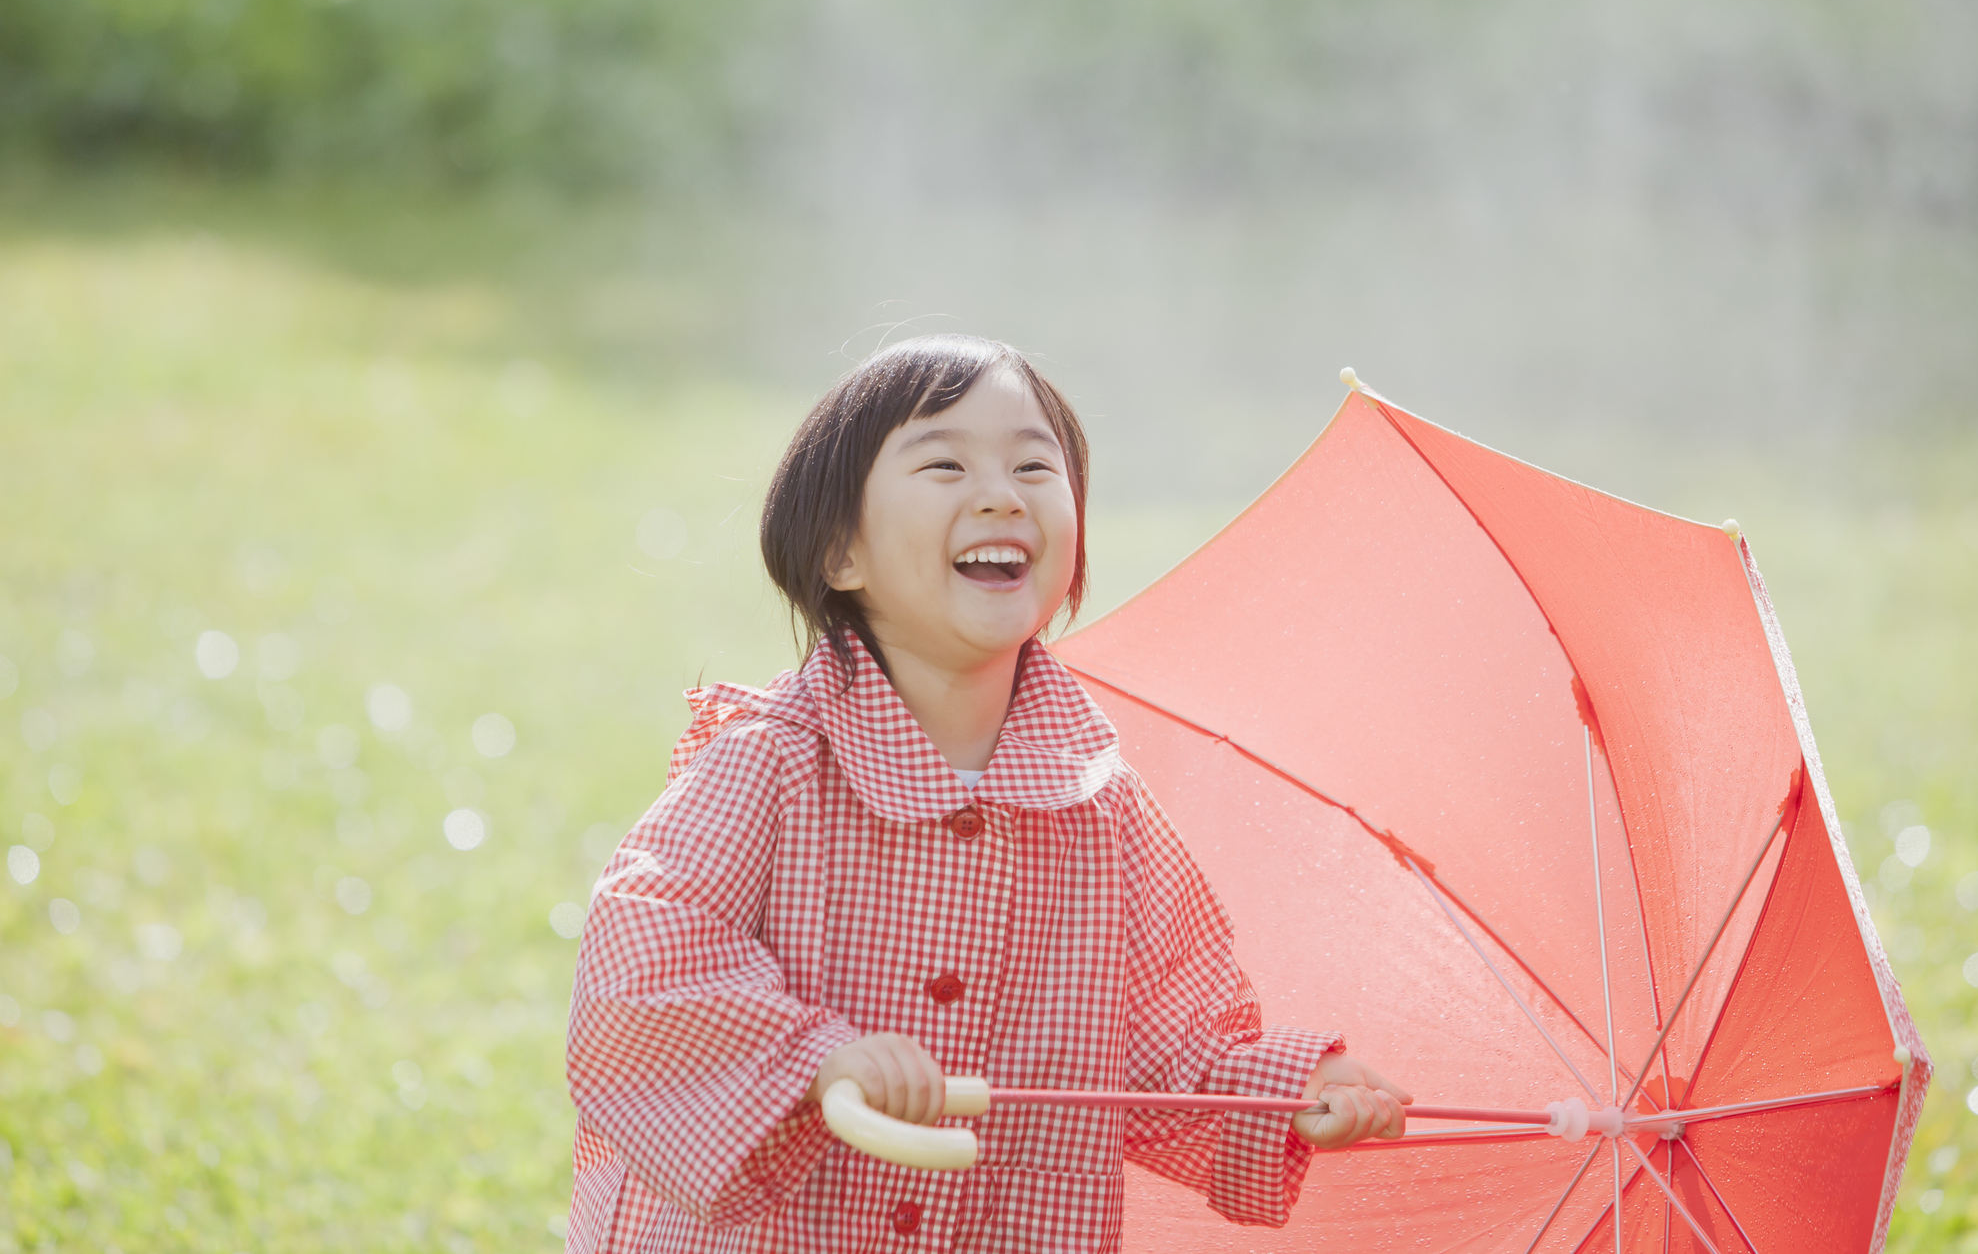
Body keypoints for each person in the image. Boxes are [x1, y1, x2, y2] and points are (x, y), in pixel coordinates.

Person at [563, 335, 1409, 1252]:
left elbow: (1172, 1044)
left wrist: (1288, 1094)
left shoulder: (1102, 807)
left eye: (1035, 465)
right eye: (945, 463)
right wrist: (817, 1056)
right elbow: (645, 951)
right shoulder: (770, 762)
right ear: (841, 551)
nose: (1003, 492)